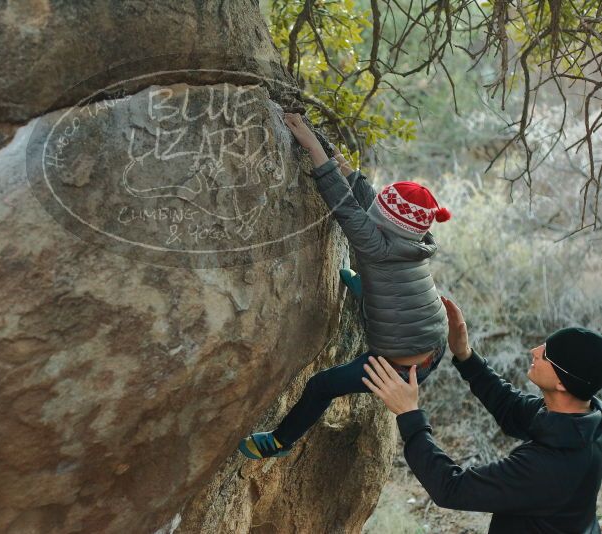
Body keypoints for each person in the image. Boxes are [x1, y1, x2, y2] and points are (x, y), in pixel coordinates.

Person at [238, 113, 452, 460]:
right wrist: (346, 166)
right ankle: (359, 286)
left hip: (399, 367)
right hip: (434, 343)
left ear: (385, 222)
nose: (374, 211)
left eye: (380, 211)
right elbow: (369, 203)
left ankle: (280, 442)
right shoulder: (416, 239)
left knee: (321, 385)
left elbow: (346, 206)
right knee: (377, 288)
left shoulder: (376, 246)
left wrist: (312, 147)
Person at [364, 295, 602, 533]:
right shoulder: (584, 419)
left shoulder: (550, 467)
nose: (535, 350)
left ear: (563, 384)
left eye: (547, 354)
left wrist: (409, 414)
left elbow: (451, 488)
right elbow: (511, 408)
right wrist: (465, 355)